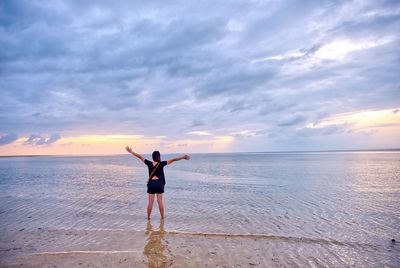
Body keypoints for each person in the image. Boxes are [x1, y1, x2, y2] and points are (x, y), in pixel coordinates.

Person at [125, 146, 190, 219]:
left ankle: (148, 218)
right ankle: (162, 217)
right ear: (159, 157)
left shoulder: (149, 163)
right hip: (159, 184)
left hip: (151, 184)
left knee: (150, 202)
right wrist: (182, 157)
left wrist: (131, 152)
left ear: (153, 157)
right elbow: (173, 159)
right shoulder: (161, 164)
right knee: (160, 201)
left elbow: (140, 157)